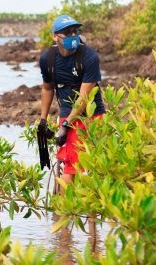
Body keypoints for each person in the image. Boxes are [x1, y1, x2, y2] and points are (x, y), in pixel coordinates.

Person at [38, 14, 106, 188]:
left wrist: (65, 126)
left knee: (97, 165)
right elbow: (47, 88)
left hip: (93, 113)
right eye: (67, 33)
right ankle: (65, 213)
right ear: (55, 37)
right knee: (70, 165)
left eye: (75, 31)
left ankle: (93, 215)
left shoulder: (89, 56)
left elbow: (84, 98)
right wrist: (43, 120)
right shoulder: (48, 59)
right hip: (67, 113)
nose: (72, 36)